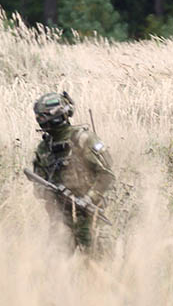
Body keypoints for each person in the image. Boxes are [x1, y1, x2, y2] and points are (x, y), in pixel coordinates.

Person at [29, 90, 115, 250]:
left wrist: (88, 199)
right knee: (56, 268)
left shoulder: (83, 139)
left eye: (44, 116)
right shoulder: (44, 148)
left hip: (89, 217)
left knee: (97, 266)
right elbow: (38, 187)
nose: (41, 121)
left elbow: (106, 175)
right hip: (60, 221)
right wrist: (52, 192)